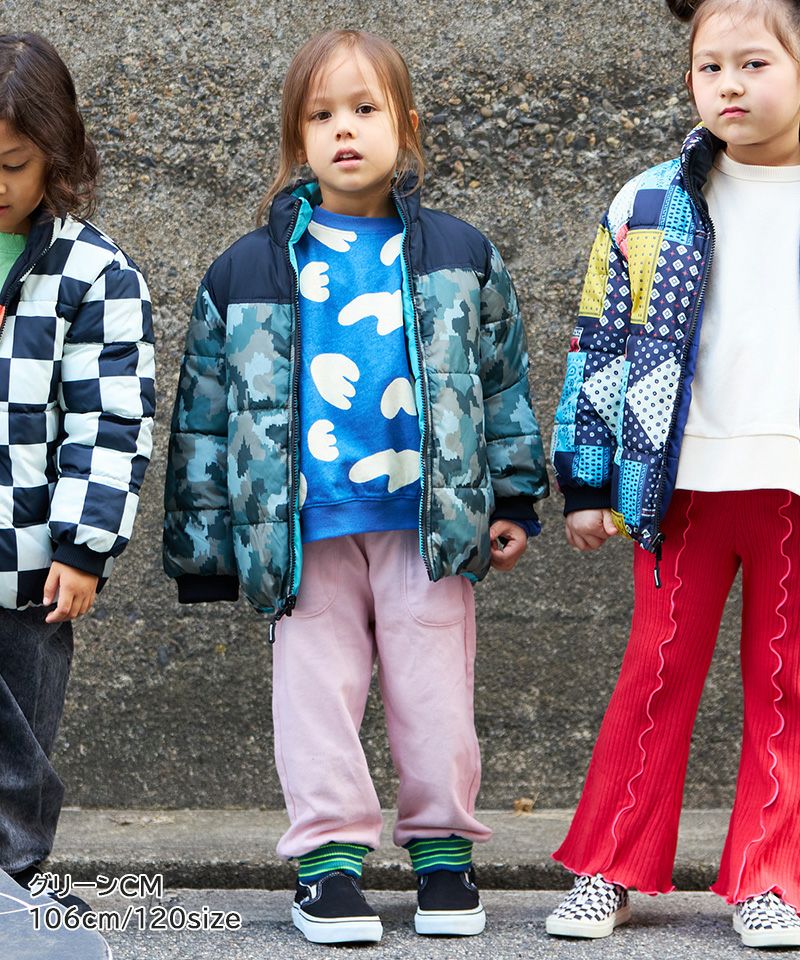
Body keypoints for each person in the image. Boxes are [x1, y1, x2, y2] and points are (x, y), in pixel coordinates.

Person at [163, 28, 548, 945]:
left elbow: (501, 384)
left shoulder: (460, 253)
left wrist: (513, 498)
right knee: (314, 702)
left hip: (429, 525)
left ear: (404, 124)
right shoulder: (246, 269)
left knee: (436, 697)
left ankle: (444, 859)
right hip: (302, 532)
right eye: (321, 115)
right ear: (296, 139)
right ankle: (329, 867)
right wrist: (209, 550)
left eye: (364, 109)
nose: (344, 130)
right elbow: (206, 414)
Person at [548, 0, 800, 948]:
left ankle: (771, 878)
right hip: (679, 484)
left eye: (754, 63)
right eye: (709, 66)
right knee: (656, 670)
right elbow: (599, 344)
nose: (729, 85)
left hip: (792, 484)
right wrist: (587, 482)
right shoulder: (649, 203)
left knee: (786, 685)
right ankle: (609, 868)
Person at [0, 34, 155, 914]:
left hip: (28, 565)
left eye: (13, 164)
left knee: (19, 738)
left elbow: (110, 422)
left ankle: (15, 882)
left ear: (57, 157)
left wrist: (84, 547)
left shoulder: (95, 274)